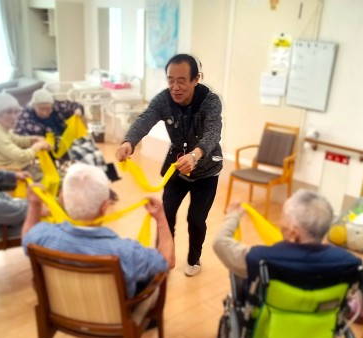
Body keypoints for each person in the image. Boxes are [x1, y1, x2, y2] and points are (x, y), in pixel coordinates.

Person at [116, 53, 224, 277]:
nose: (175, 87)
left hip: (206, 171)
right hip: (176, 169)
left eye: (182, 81)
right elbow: (145, 119)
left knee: (196, 219)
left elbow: (213, 133)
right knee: (165, 215)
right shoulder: (164, 100)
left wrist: (195, 155)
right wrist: (129, 142)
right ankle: (161, 259)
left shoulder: (210, 101)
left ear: (196, 79)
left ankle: (194, 259)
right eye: (171, 80)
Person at [22, 163, 175, 300]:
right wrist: (161, 218)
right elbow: (167, 261)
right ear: (104, 207)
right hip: (112, 317)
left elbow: (26, 239)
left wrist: (35, 204)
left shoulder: (43, 236)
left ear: (62, 200)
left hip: (61, 308)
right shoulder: (126, 252)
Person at [213, 190, 362, 283]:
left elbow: (220, 243)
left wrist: (233, 216)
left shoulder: (261, 259)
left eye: (282, 216)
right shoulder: (347, 261)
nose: (279, 222)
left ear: (293, 233)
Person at [0, 93, 51, 170]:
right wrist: (38, 145)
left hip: (13, 166)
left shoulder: (2, 127)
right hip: (8, 171)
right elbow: (21, 156)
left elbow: (17, 140)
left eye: (16, 112)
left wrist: (32, 139)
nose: (14, 117)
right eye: (9, 112)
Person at [14, 88, 83, 142]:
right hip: (43, 147)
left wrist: (78, 110)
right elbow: (19, 137)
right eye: (41, 109)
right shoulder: (24, 116)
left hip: (65, 140)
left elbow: (74, 105)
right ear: (34, 106)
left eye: (48, 109)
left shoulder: (56, 105)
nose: (45, 112)